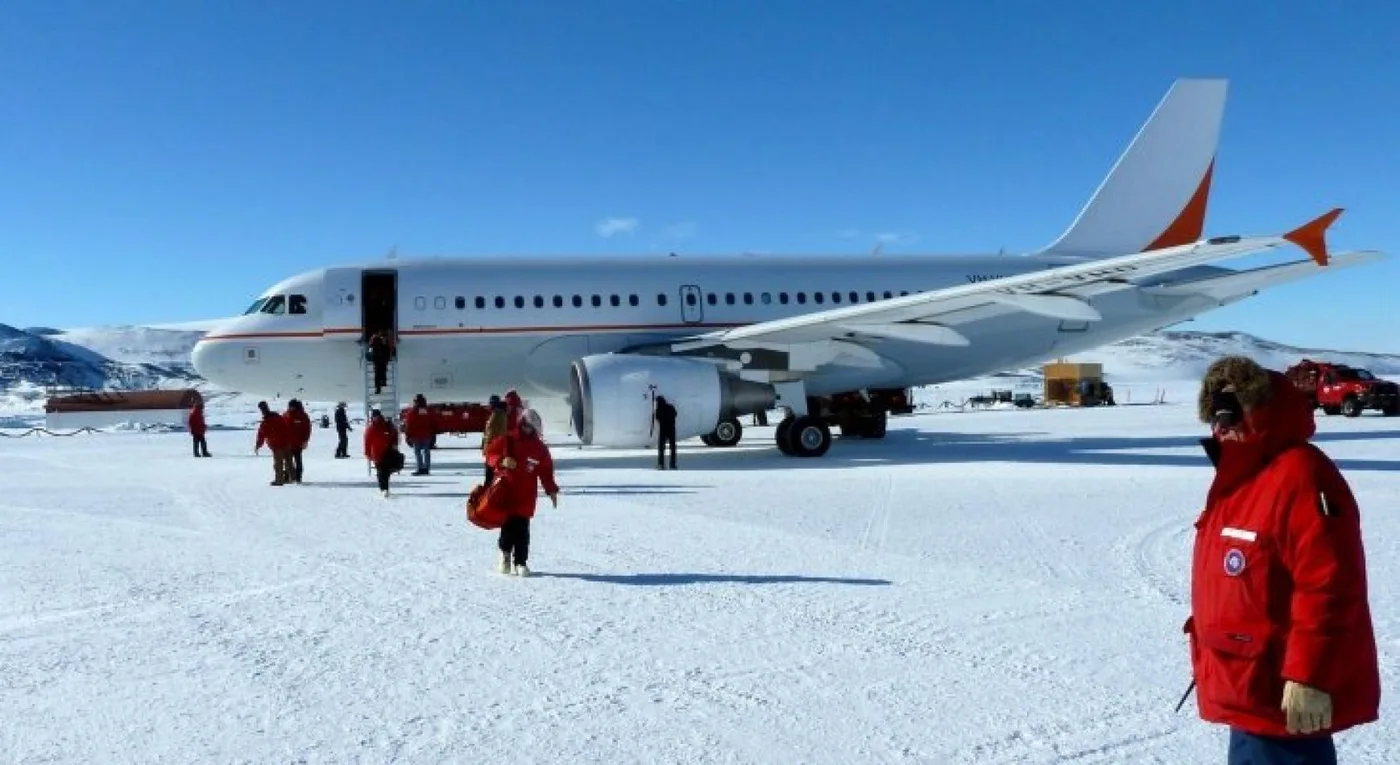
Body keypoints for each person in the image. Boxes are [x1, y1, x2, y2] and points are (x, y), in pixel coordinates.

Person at [1184, 355, 1379, 765]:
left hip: (1282, 691)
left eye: (1232, 411)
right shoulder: (1241, 477)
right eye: (1216, 414)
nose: (1222, 426)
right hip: (1247, 680)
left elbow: (1329, 585)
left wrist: (1310, 676)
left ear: (1261, 410)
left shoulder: (1301, 475)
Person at [483, 408, 559, 577]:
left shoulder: (539, 448)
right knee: (508, 526)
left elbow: (546, 470)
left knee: (523, 529)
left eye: (531, 428)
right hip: (507, 491)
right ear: (521, 423)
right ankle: (505, 555)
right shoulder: (508, 439)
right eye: (526, 426)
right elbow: (489, 454)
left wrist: (551, 489)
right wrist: (502, 461)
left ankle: (521, 562)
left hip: (526, 494)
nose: (528, 430)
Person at [363, 409, 402, 497]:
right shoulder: (375, 427)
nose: (375, 418)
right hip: (382, 453)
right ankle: (384, 489)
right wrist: (368, 454)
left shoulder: (380, 426)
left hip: (383, 453)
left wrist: (394, 444)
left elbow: (367, 442)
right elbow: (367, 442)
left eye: (376, 416)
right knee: (383, 472)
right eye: (374, 417)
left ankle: (384, 489)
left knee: (383, 472)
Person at [254, 401, 292, 486]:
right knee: (289, 461)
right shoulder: (277, 416)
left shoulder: (266, 422)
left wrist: (258, 445)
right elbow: (286, 427)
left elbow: (261, 434)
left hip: (277, 444)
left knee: (278, 463)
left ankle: (279, 480)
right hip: (285, 442)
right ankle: (292, 478)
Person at [403, 393, 435, 475]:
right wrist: (432, 433)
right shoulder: (428, 411)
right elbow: (432, 422)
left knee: (418, 453)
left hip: (416, 436)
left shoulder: (412, 412)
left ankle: (420, 468)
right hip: (426, 435)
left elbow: (409, 424)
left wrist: (407, 436)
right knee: (426, 452)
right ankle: (426, 468)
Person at [284, 399, 312, 483]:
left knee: (298, 460)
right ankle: (288, 477)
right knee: (288, 462)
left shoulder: (303, 416)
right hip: (287, 443)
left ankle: (298, 477)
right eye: (289, 406)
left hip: (298, 443)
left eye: (292, 406)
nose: (290, 408)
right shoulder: (285, 415)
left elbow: (307, 429)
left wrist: (305, 440)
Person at [481, 407, 508, 485]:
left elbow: (488, 433)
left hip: (494, 449)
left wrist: (485, 447)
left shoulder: (496, 416)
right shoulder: (504, 416)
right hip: (499, 449)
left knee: (490, 478)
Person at [653, 395, 678, 470]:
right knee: (673, 448)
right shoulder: (670, 407)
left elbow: (657, 418)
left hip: (663, 430)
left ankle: (661, 464)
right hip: (671, 428)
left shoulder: (658, 409)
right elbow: (675, 414)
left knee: (661, 448)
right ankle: (672, 464)